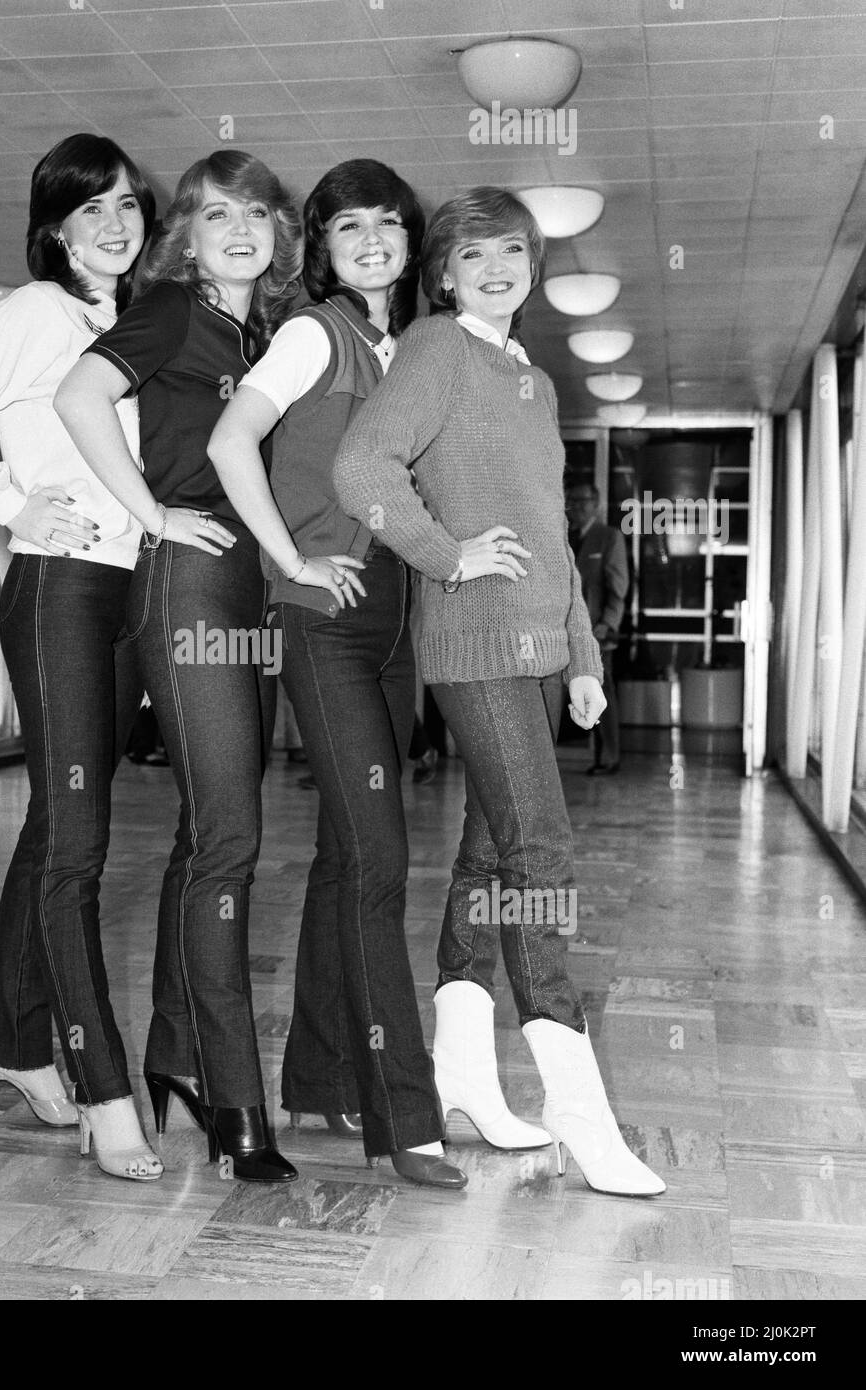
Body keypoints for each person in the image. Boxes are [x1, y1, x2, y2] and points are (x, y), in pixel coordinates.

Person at [333, 187, 665, 1197]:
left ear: (532, 265)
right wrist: (446, 553)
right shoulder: (437, 348)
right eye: (471, 253)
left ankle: (462, 1076)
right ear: (441, 272)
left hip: (530, 647)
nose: (493, 267)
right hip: (472, 646)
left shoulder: (527, 376)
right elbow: (361, 466)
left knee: (489, 855)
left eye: (511, 250)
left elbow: (554, 533)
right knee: (541, 849)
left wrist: (582, 655)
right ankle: (576, 1101)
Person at [0, 134, 164, 1183]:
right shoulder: (35, 313)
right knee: (79, 843)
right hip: (57, 584)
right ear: (54, 228)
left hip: (127, 583)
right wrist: (9, 500)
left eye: (126, 205)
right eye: (88, 209)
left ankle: (9, 1045)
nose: (112, 223)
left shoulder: (126, 321)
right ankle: (103, 1088)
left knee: (59, 823)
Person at [206, 159, 463, 1188]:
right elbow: (233, 441)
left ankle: (319, 1074)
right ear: (322, 245)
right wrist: (286, 560)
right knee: (378, 861)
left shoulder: (415, 349)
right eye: (346, 226)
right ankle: (406, 1117)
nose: (368, 240)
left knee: (342, 858)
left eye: (386, 224)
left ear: (410, 242)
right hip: (327, 621)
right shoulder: (315, 332)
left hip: (399, 623)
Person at [55, 149, 301, 1183]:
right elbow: (78, 398)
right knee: (232, 838)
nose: (238, 228)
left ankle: (175, 1057)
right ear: (186, 237)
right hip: (189, 579)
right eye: (215, 214)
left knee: (212, 826)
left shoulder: (267, 333)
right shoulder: (167, 311)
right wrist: (151, 512)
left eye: (256, 213)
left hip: (254, 585)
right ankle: (238, 1102)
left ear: (280, 232)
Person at [566, 482, 629, 774]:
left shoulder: (609, 537)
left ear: (597, 502)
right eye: (573, 500)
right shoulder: (566, 536)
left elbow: (618, 587)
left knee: (603, 693)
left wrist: (609, 623)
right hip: (565, 632)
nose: (577, 506)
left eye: (584, 500)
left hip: (598, 633)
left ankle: (609, 757)